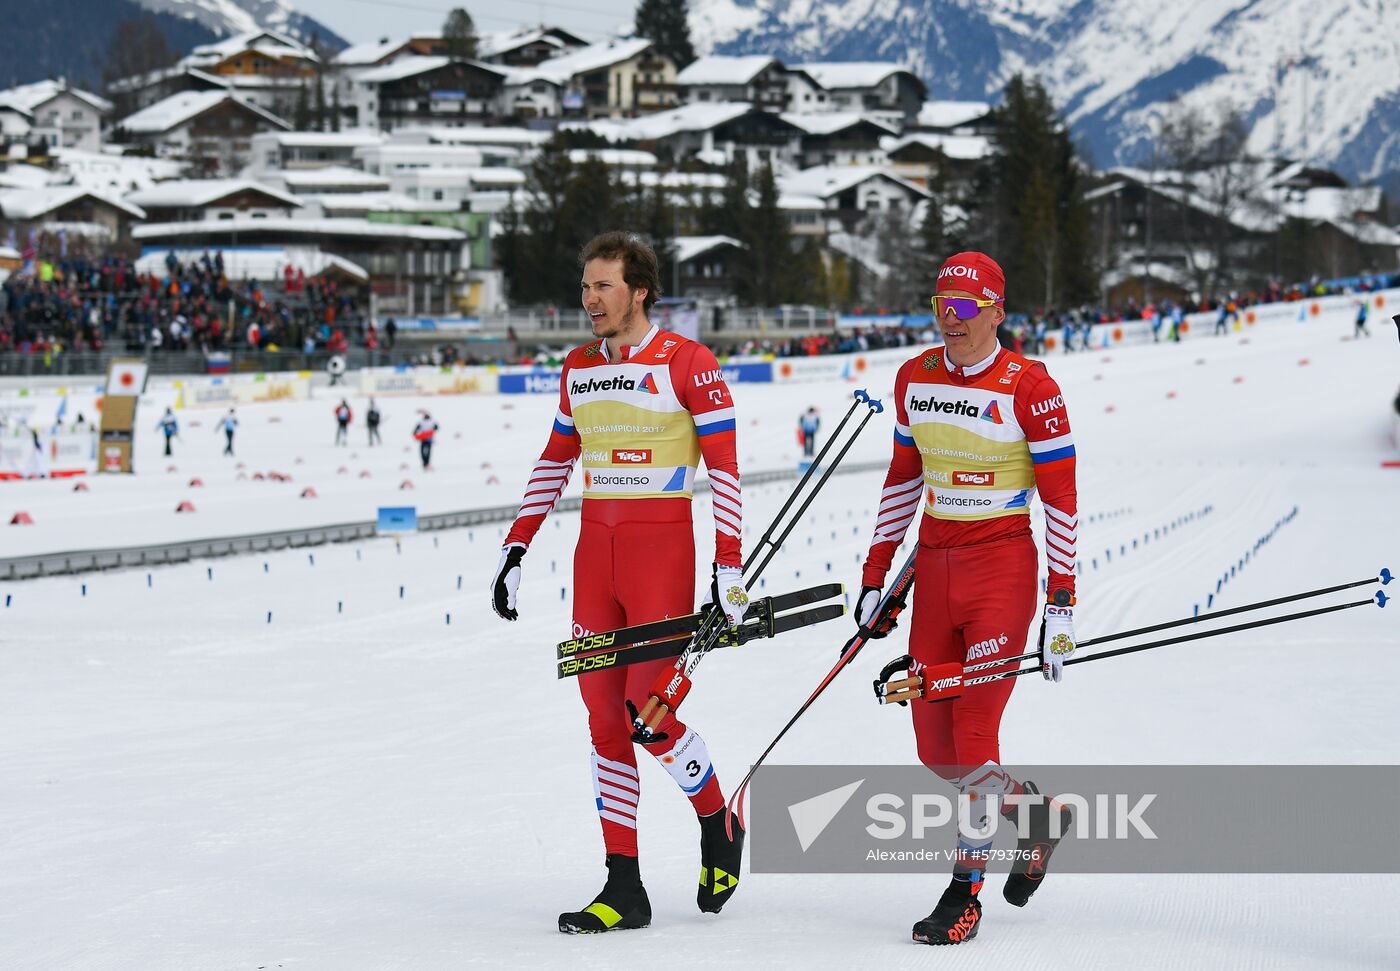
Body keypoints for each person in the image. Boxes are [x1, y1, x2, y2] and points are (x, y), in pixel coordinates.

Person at [489, 231, 748, 934]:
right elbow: (554, 459)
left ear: (639, 291)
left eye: (603, 285)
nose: (589, 298)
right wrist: (516, 547)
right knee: (604, 719)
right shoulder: (577, 366)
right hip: (593, 560)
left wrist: (731, 565)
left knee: (646, 711)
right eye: (584, 285)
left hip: (660, 552)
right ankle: (623, 883)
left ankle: (717, 814)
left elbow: (724, 471)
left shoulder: (689, 362)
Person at [854, 252, 1079, 946]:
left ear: (996, 313)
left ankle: (964, 891)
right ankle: (1035, 816)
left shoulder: (1029, 386)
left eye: (962, 308)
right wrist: (875, 576)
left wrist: (1062, 602)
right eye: (938, 305)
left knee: (976, 731)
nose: (948, 320)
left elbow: (1062, 500)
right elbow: (901, 478)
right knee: (936, 747)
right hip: (936, 573)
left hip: (1002, 574)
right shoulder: (913, 378)